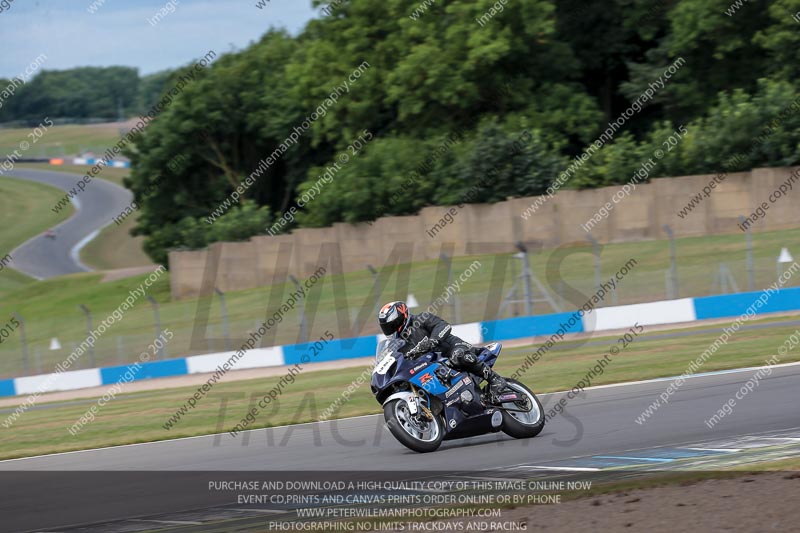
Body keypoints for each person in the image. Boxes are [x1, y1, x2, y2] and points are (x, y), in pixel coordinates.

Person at [378, 300, 507, 401]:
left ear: (403, 316)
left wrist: (432, 341)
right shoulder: (400, 343)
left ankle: (495, 379)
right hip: (434, 364)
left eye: (392, 325)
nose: (391, 329)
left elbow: (444, 326)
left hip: (453, 348)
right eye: (387, 327)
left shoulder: (422, 319)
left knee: (458, 355)